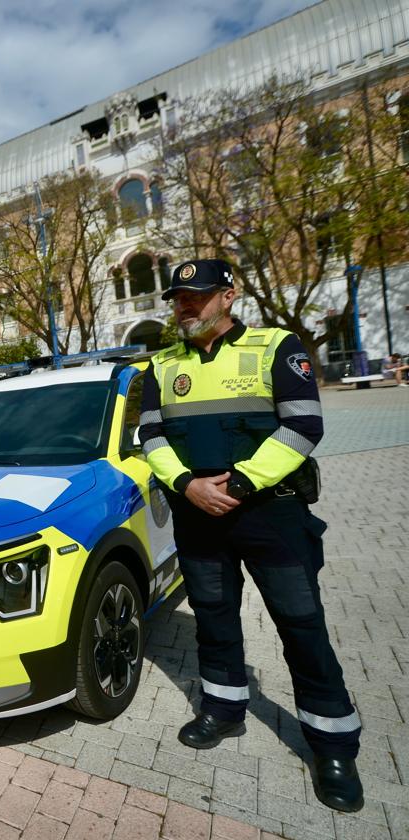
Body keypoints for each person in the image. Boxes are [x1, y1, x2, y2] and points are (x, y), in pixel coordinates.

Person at [139, 259, 363, 812]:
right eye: (177, 297)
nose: (184, 305)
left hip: (270, 514)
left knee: (302, 625)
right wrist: (189, 486)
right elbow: (150, 436)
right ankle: (222, 709)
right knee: (213, 621)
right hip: (197, 517)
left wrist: (237, 484)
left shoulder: (273, 347)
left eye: (196, 295)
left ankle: (333, 746)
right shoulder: (161, 364)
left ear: (228, 296)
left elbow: (304, 424)